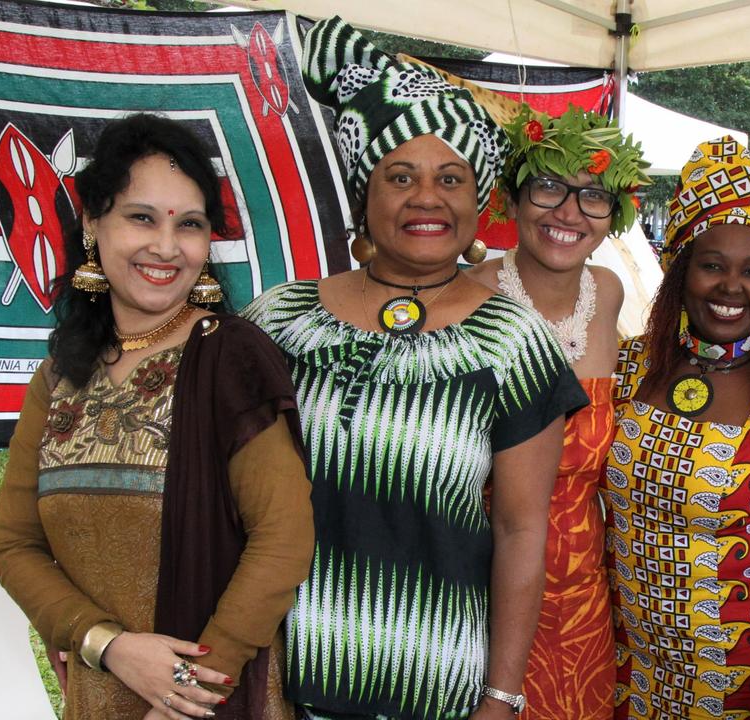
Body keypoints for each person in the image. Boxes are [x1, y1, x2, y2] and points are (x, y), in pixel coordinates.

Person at [241, 17, 588, 720]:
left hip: (438, 686)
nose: (426, 197)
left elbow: (523, 531)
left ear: (476, 200)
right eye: (400, 175)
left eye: (450, 179)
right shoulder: (279, 321)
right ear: (364, 196)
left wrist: (501, 696)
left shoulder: (511, 340)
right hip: (277, 675)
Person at [0, 113, 314, 720]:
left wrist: (188, 691)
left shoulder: (230, 357)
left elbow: (283, 541)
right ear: (91, 223)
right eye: (141, 218)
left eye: (188, 225)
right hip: (99, 690)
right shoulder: (62, 374)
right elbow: (14, 546)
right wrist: (107, 645)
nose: (166, 248)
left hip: (211, 699)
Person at [604, 137, 750, 719]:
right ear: (683, 272)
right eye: (712, 265)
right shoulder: (627, 369)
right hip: (625, 669)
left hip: (745, 687)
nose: (731, 287)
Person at [466, 104, 650, 719]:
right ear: (511, 200)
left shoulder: (609, 293)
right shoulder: (465, 298)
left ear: (614, 214)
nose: (569, 213)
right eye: (548, 186)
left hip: (583, 595)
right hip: (482, 586)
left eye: (594, 195)